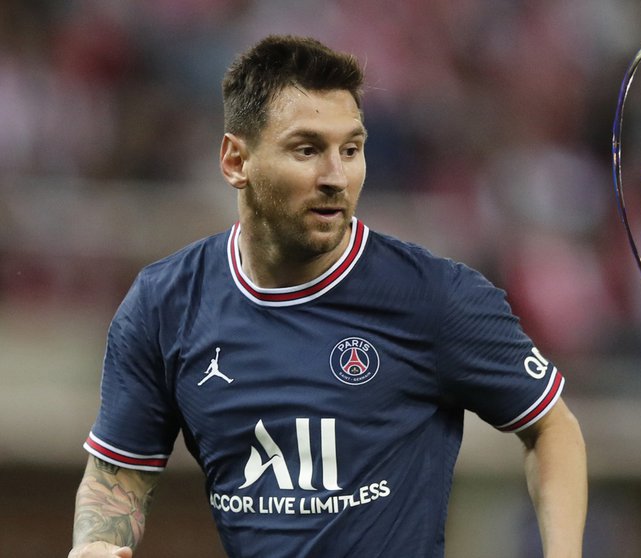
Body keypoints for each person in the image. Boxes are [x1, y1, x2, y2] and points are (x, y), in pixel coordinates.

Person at [68, 35, 587, 558]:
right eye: (307, 149)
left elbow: (552, 429)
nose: (336, 177)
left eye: (351, 150)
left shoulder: (435, 296)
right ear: (235, 161)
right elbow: (120, 472)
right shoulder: (164, 304)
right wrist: (97, 543)